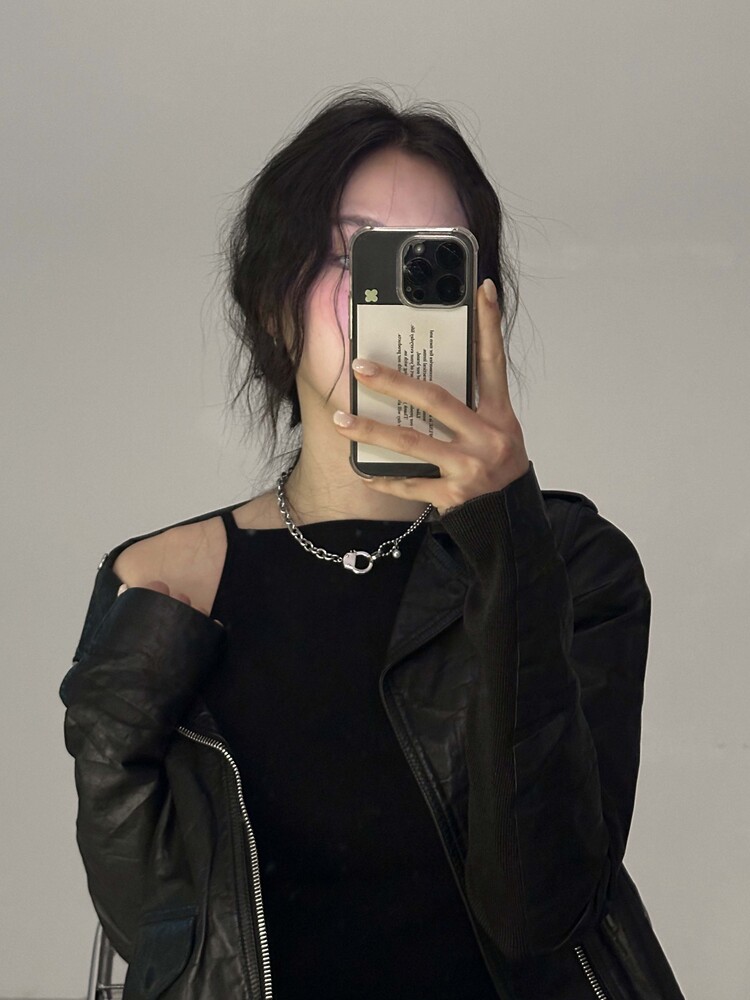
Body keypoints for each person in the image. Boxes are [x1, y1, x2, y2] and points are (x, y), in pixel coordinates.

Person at [60, 88, 685, 1000]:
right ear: (273, 303)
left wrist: (505, 539)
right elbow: (159, 940)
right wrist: (148, 637)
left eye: (429, 261)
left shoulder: (571, 561)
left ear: (482, 308)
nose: (381, 294)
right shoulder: (164, 585)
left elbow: (541, 912)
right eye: (348, 254)